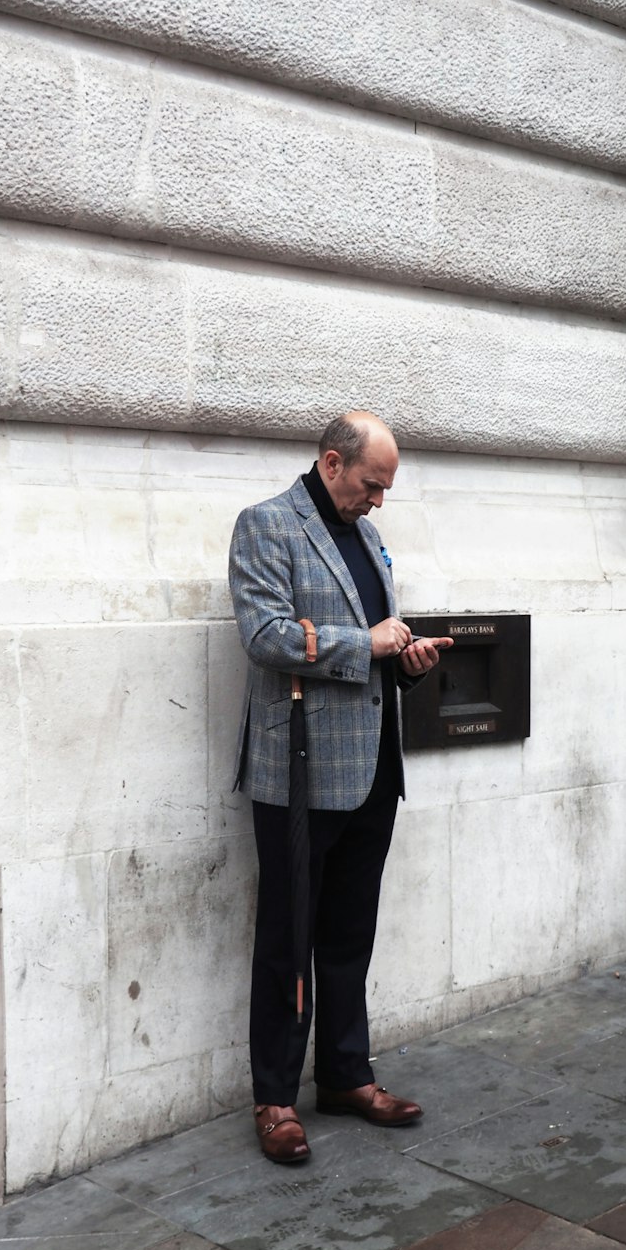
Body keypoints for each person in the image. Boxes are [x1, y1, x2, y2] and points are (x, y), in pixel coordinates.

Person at [228, 411, 452, 1163]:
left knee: (351, 933)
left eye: (386, 488)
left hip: (373, 768)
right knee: (288, 939)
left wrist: (406, 659)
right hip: (298, 771)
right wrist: (368, 642)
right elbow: (264, 636)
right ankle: (276, 1098)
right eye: (371, 483)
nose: (379, 499)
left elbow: (373, 639)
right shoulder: (266, 525)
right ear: (331, 463)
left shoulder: (366, 535)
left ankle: (347, 1076)